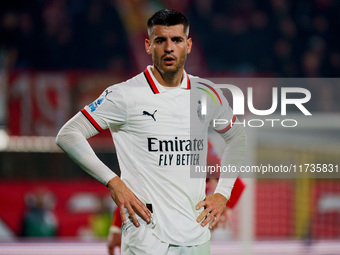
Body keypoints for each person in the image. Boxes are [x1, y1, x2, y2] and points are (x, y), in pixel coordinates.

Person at [56, 9, 246, 254]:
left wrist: (222, 195)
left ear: (188, 45)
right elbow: (68, 134)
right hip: (146, 239)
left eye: (176, 40)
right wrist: (113, 182)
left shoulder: (206, 92)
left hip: (196, 238)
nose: (169, 47)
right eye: (160, 40)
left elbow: (237, 137)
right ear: (148, 45)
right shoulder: (124, 95)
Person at [107, 177, 246, 255]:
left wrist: (222, 205)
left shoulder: (198, 144)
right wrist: (115, 228)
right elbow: (131, 190)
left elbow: (237, 184)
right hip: (163, 227)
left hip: (190, 228)